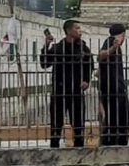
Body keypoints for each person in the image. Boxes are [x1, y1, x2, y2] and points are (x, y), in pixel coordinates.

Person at [40, 19, 94, 148]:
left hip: (76, 91)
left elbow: (90, 65)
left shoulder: (83, 48)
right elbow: (45, 64)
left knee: (78, 123)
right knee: (56, 124)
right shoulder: (58, 47)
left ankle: (79, 149)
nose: (80, 31)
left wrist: (87, 80)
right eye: (77, 28)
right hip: (59, 91)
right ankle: (54, 148)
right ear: (69, 31)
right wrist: (46, 47)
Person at [98, 24, 129, 146]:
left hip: (115, 88)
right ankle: (112, 143)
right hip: (113, 89)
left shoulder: (113, 44)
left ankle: (116, 141)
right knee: (119, 119)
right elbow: (101, 55)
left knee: (121, 118)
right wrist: (113, 48)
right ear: (123, 34)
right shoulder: (111, 41)